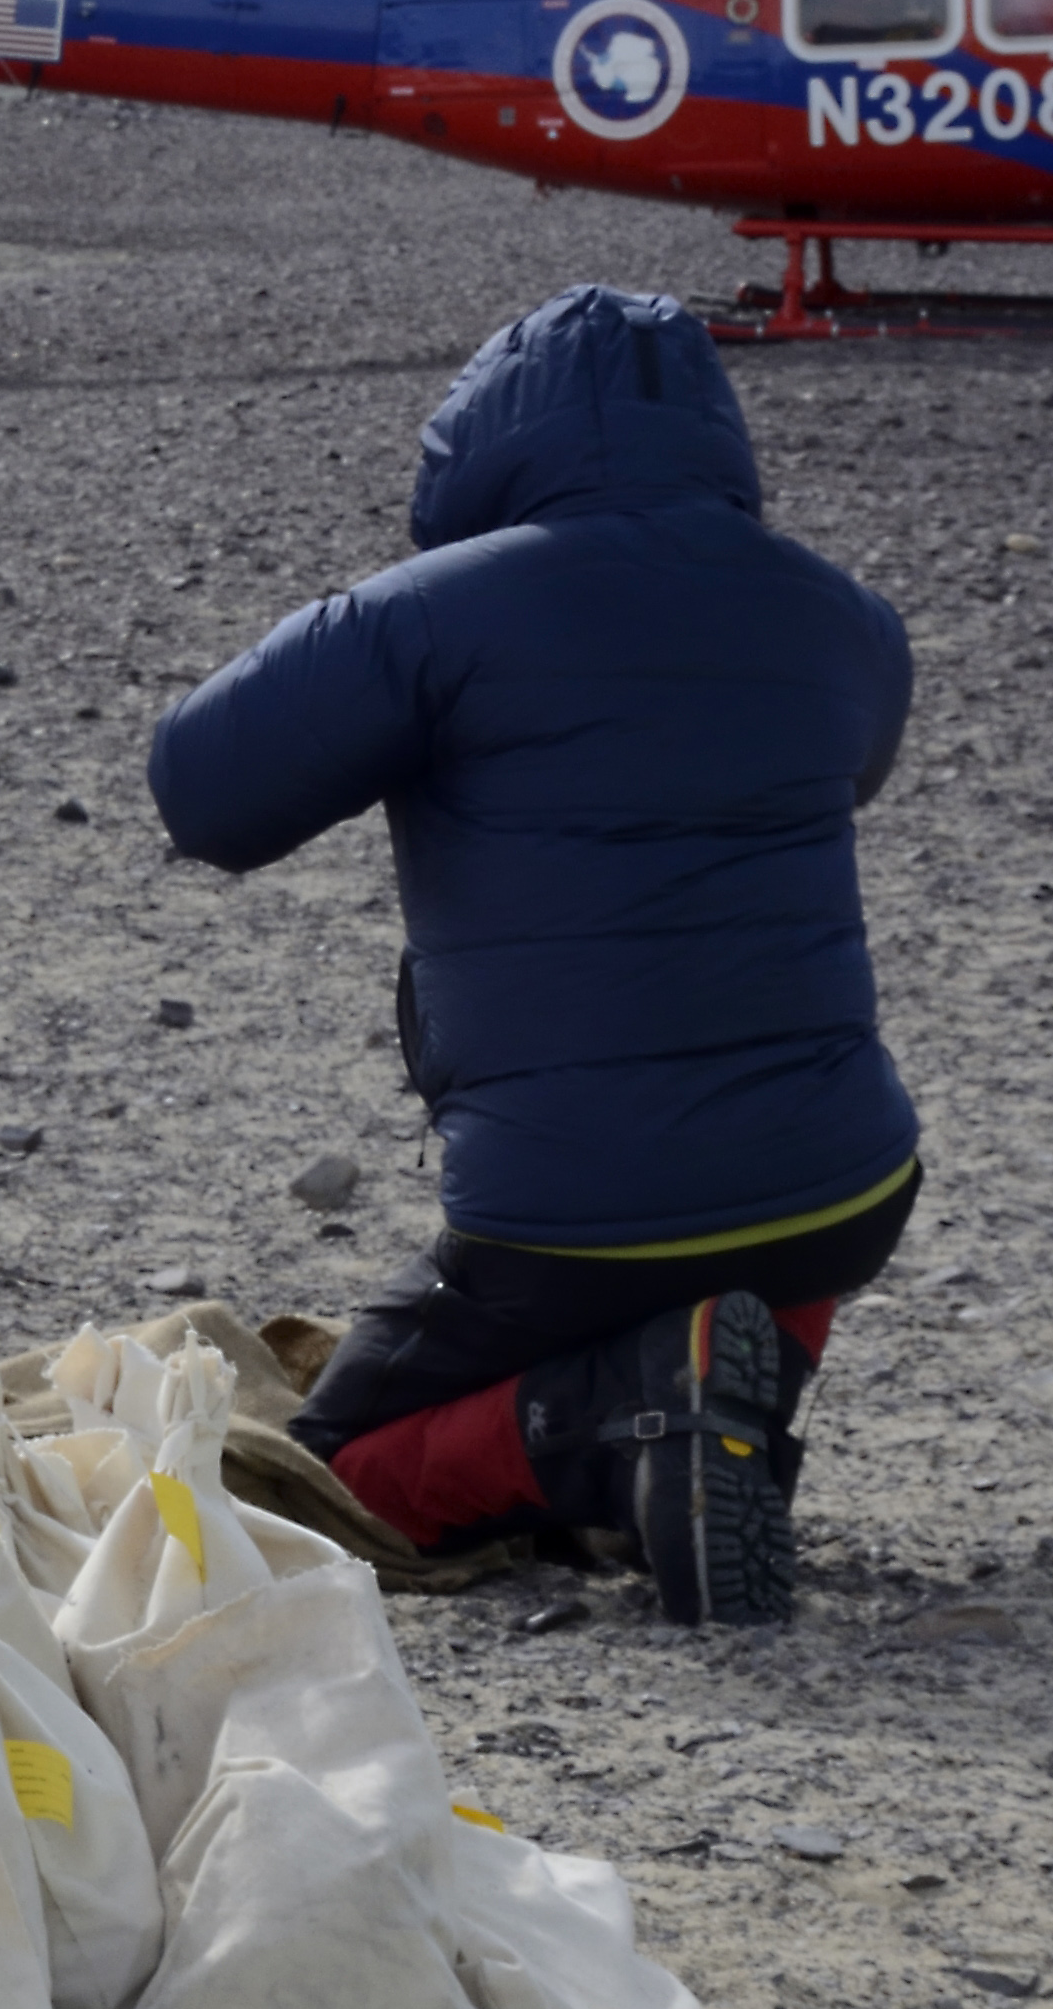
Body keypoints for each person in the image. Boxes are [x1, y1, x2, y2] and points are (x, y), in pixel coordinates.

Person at [143, 285, 919, 1622]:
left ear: (488, 441)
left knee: (317, 1486)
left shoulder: (435, 616)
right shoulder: (844, 620)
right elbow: (842, 769)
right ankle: (717, 1403)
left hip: (570, 1212)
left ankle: (628, 1425)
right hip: (844, 1190)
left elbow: (201, 794)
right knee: (761, 1242)